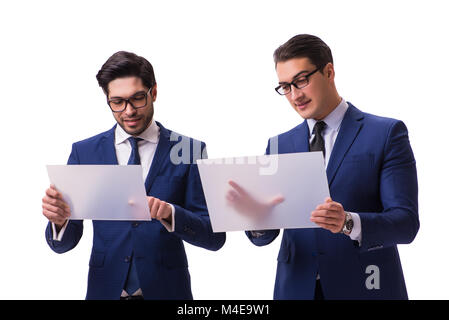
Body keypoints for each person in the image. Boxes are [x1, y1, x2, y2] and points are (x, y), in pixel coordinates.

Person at [227, 34, 419, 299]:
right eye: (285, 86)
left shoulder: (386, 133)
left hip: (365, 288)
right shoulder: (278, 145)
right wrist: (256, 218)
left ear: (329, 71)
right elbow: (263, 236)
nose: (295, 95)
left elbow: (406, 224)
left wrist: (348, 223)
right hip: (296, 289)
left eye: (301, 80)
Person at [42, 51, 226, 300]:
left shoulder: (189, 151)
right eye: (117, 102)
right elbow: (62, 244)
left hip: (169, 292)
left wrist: (171, 214)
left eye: (137, 98)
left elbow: (214, 237)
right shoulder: (84, 152)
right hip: (104, 291)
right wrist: (60, 221)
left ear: (154, 92)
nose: (128, 111)